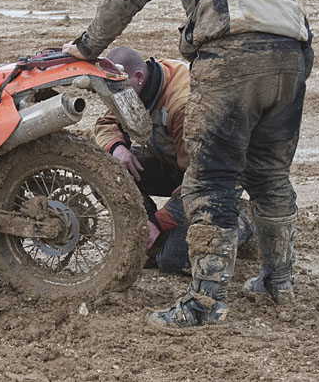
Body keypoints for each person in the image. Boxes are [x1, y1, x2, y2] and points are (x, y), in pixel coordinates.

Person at [64, 0, 313, 331]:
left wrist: (86, 46)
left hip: (233, 50)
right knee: (270, 175)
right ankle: (278, 280)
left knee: (212, 179)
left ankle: (204, 303)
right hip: (293, 53)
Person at [94, 46, 252, 274]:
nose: (114, 97)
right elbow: (105, 123)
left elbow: (200, 180)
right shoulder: (134, 86)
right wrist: (117, 147)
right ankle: (150, 237)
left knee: (174, 259)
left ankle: (244, 219)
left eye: (117, 89)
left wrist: (159, 222)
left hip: (213, 180)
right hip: (176, 163)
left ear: (138, 78)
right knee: (107, 173)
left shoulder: (184, 105)